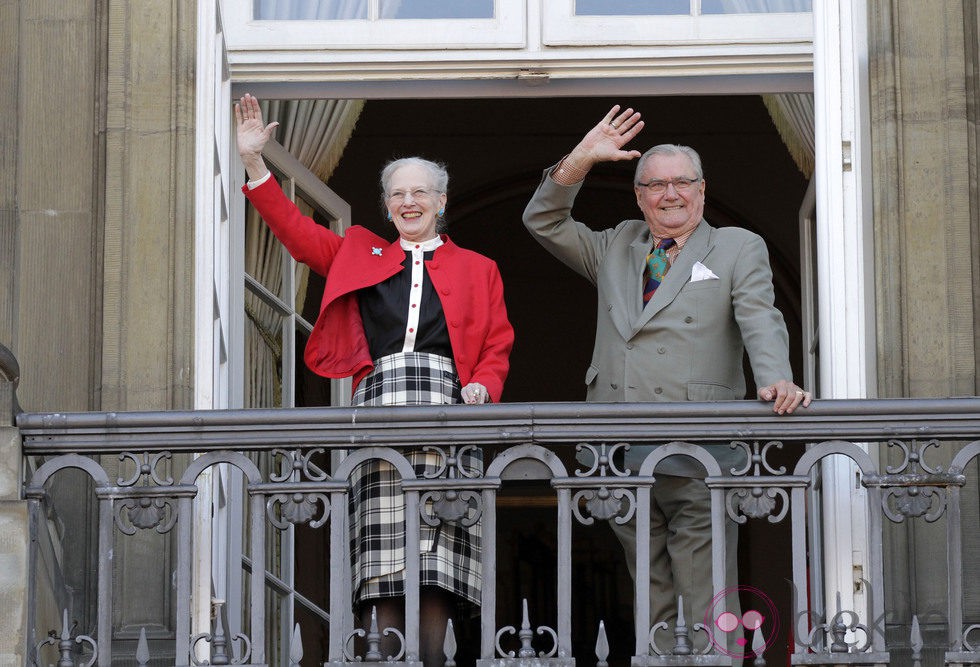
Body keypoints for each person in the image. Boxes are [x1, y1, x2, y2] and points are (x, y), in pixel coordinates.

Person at [236, 93, 514, 666]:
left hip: (447, 411)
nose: (409, 202)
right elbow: (294, 231)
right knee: (385, 566)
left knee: (437, 565)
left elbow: (496, 341)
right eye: (398, 194)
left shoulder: (479, 267)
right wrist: (255, 165)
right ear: (386, 206)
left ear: (440, 200)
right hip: (381, 409)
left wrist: (483, 385)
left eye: (420, 192)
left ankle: (433, 661)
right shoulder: (358, 252)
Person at [522, 105, 811, 655]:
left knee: (705, 597)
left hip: (700, 448)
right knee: (650, 596)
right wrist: (580, 159)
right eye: (655, 184)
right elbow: (544, 221)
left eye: (682, 182)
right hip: (621, 449)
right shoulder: (615, 246)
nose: (670, 193)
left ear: (702, 190)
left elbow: (759, 314)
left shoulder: (736, 246)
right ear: (639, 196)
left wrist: (776, 378)